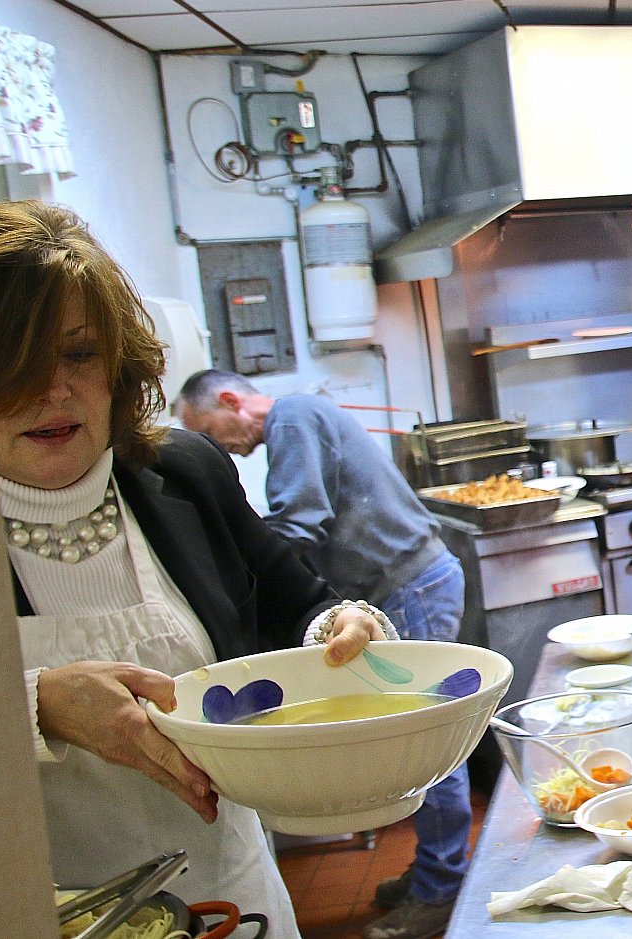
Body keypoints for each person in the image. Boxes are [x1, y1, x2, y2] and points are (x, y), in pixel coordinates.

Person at [0, 199, 394, 939]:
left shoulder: (183, 471)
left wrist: (341, 627)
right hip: (57, 916)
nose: (52, 391)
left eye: (77, 353)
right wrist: (34, 702)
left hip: (233, 891)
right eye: (11, 364)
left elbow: (297, 605)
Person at [176, 368, 471, 939]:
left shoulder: (293, 415)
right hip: (406, 584)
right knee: (413, 732)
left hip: (405, 586)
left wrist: (247, 580)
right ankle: (436, 872)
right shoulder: (300, 416)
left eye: (210, 431)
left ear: (232, 400)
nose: (219, 447)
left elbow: (299, 521)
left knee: (427, 739)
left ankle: (442, 890)